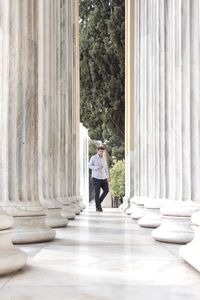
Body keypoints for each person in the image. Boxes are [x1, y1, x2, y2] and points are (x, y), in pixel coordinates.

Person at [89, 146, 109, 212]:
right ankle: (98, 207)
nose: (101, 152)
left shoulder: (104, 158)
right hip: (96, 178)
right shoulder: (93, 157)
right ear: (97, 151)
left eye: (102, 151)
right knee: (97, 193)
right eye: (100, 151)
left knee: (106, 190)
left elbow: (106, 168)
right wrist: (96, 167)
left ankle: (98, 203)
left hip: (103, 178)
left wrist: (107, 176)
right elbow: (89, 165)